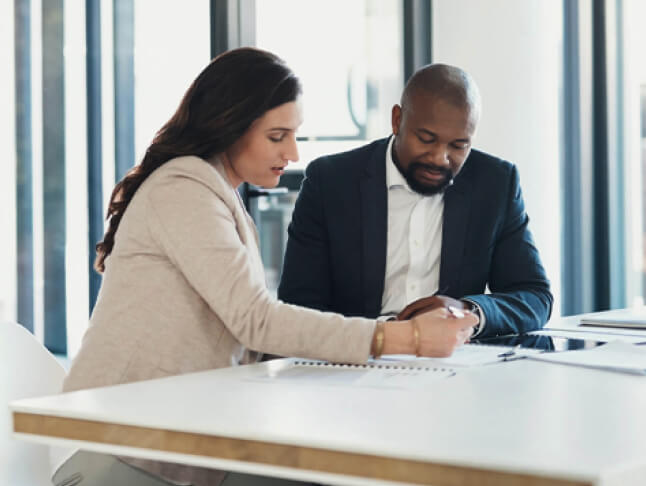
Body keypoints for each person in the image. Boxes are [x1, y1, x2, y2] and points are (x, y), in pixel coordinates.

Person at [55, 49, 478, 486]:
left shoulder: (217, 195)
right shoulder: (183, 190)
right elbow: (256, 319)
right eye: (277, 136)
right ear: (230, 126)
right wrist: (404, 338)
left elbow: (247, 335)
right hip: (118, 449)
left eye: (293, 135)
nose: (292, 153)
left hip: (177, 444)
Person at [278, 63, 552, 338]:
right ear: (397, 120)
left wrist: (468, 311)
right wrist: (384, 337)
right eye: (426, 139)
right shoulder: (331, 181)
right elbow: (297, 306)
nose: (439, 158)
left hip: (456, 367)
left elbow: (535, 297)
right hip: (355, 361)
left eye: (458, 146)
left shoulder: (495, 183)